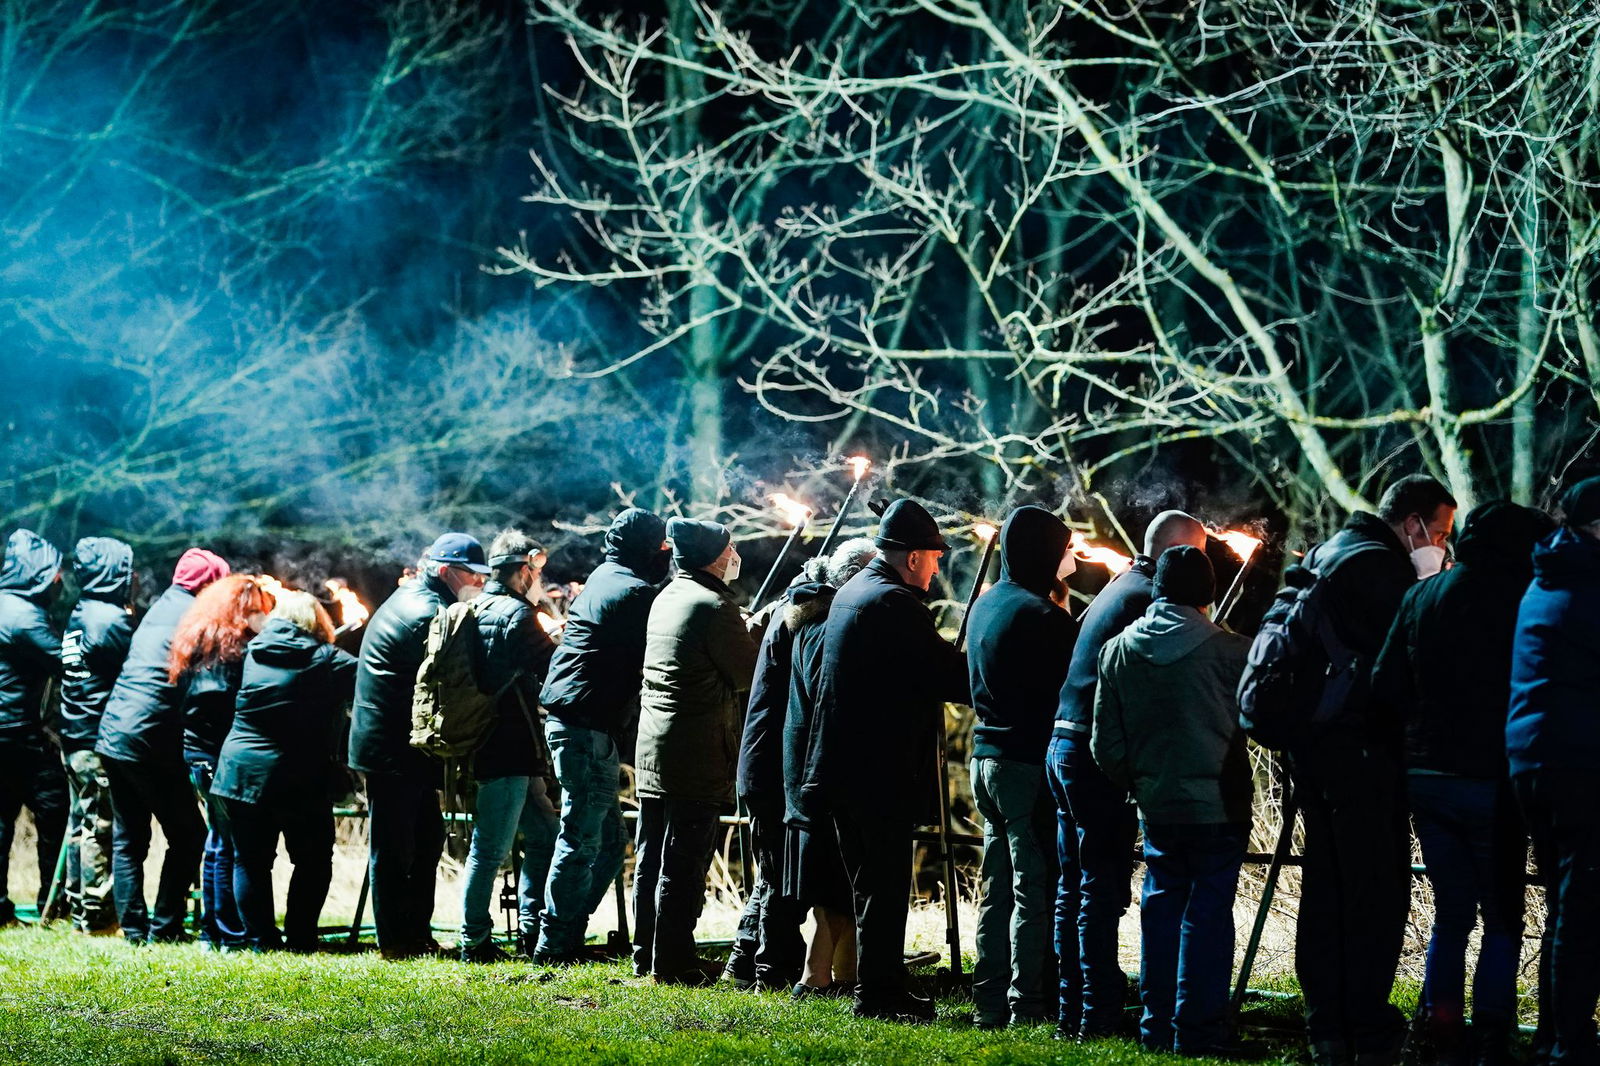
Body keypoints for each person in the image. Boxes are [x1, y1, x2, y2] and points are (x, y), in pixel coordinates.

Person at [1371, 502, 1550, 1066]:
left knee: (1451, 911)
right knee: (1503, 914)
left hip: (1427, 774)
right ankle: (1492, 1031)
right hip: (1493, 778)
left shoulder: (1423, 595)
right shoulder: (1523, 601)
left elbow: (1384, 683)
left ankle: (1439, 1023)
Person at [1293, 474, 1456, 1066]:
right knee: (1374, 890)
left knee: (1326, 884)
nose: (1441, 543)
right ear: (1411, 523)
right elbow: (1405, 666)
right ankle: (1364, 1023)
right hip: (1361, 751)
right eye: (1438, 531)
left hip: (1313, 746)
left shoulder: (1330, 550)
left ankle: (1325, 1024)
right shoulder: (1383, 572)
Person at [801, 498, 969, 1023]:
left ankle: (881, 986)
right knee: (884, 885)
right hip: (876, 771)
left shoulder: (856, 591)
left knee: (870, 883)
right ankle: (879, 995)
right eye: (935, 557)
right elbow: (949, 676)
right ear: (914, 557)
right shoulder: (892, 603)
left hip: (844, 767)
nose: (938, 567)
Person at [1048, 509, 1207, 1038]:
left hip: (1063, 743)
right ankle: (1097, 1013)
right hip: (1094, 755)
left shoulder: (1122, 584)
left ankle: (1074, 1006)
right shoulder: (1147, 600)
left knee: (1076, 885)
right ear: (1177, 553)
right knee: (1100, 886)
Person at [1093, 546, 1252, 1056]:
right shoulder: (1231, 653)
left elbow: (1104, 745)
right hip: (1217, 806)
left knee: (1160, 912)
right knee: (1208, 915)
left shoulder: (1116, 650)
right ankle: (1198, 1029)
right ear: (1207, 592)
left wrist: (1140, 780)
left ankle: (1155, 1026)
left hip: (1156, 804)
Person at [534, 508, 670, 963]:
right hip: (584, 726)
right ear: (647, 551)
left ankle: (566, 933)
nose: (666, 555)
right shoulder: (630, 591)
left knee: (608, 843)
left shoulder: (605, 576)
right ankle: (554, 944)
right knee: (581, 838)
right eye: (661, 548)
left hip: (577, 722)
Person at [349, 532, 489, 960]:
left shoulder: (418, 599)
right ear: (446, 571)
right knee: (396, 846)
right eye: (472, 574)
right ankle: (396, 941)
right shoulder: (427, 611)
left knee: (423, 839)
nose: (480, 583)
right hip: (392, 746)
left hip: (396, 743)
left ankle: (413, 933)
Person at [633, 518, 759, 985]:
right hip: (696, 748)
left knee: (652, 857)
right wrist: (759, 629)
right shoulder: (712, 607)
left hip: (656, 745)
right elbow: (747, 673)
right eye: (729, 549)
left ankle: (647, 953)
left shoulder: (668, 596)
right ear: (713, 556)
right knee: (685, 862)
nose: (734, 557)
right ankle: (675, 963)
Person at [966, 506, 1078, 1029]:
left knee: (996, 886)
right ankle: (1025, 1001)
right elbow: (1067, 688)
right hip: (1025, 763)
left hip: (985, 757)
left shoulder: (988, 604)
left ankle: (988, 996)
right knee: (1033, 889)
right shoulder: (1042, 617)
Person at [1507, 477, 1600, 1066]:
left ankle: (1552, 1032)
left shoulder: (1548, 576)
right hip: (1578, 761)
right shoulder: (1588, 586)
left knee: (1569, 902)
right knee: (1583, 904)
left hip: (1536, 758)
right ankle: (1569, 1040)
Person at [96, 547, 230, 943]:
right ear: (208, 584)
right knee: (190, 836)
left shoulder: (160, 607)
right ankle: (167, 927)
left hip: (114, 733)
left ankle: (135, 931)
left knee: (129, 836)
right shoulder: (197, 616)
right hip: (149, 740)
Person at [212, 590, 357, 951]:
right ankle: (301, 937)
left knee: (250, 860)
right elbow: (370, 675)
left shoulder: (253, 653)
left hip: (240, 773)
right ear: (315, 621)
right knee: (313, 859)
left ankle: (261, 940)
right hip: (297, 777)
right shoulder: (326, 659)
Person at [458, 530, 560, 963]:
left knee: (544, 834)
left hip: (490, 738)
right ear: (522, 570)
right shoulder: (519, 616)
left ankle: (531, 929)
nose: (537, 578)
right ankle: (474, 939)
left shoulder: (474, 607)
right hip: (510, 743)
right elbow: (554, 668)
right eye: (535, 571)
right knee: (490, 847)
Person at [784, 539, 877, 998]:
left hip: (811, 767)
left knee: (834, 883)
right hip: (820, 768)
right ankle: (815, 975)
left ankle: (840, 972)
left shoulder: (818, 620)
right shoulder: (828, 628)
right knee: (836, 882)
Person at [724, 560, 820, 992]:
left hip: (762, 757)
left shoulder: (780, 612)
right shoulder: (801, 618)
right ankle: (769, 969)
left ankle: (744, 962)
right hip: (773, 761)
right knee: (781, 877)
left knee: (771, 872)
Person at [169, 574, 273, 951]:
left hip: (196, 753)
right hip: (215, 755)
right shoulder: (231, 653)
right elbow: (221, 703)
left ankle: (213, 930)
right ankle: (227, 932)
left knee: (218, 841)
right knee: (228, 843)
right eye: (258, 609)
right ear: (242, 610)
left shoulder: (198, 640)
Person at [58, 537, 135, 934]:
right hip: (95, 737)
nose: (132, 577)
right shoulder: (109, 619)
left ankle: (78, 907)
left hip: (73, 734)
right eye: (124, 569)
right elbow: (134, 664)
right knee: (98, 825)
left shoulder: (81, 611)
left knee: (81, 823)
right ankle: (99, 916)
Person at [0, 529, 67, 926]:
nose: (59, 580)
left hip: (6, 731)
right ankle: (51, 905)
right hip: (18, 734)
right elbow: (65, 664)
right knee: (53, 810)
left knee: (1, 820)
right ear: (37, 573)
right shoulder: (24, 616)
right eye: (55, 572)